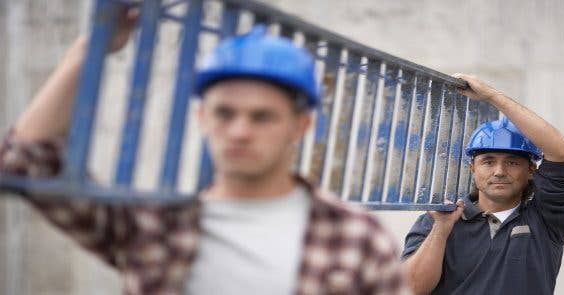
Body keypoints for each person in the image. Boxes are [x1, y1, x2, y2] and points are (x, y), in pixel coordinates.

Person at [0, 9, 410, 295]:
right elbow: (24, 162)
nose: (239, 131)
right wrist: (92, 46)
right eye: (225, 113)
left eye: (262, 117)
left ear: (300, 125)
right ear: (202, 117)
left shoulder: (354, 236)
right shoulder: (156, 222)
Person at [401, 74, 564, 295]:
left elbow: (562, 151)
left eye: (512, 162)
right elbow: (409, 289)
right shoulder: (436, 220)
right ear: (472, 169)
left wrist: (492, 96)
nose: (499, 171)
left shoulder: (546, 218)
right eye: (488, 161)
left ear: (532, 171)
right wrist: (441, 229)